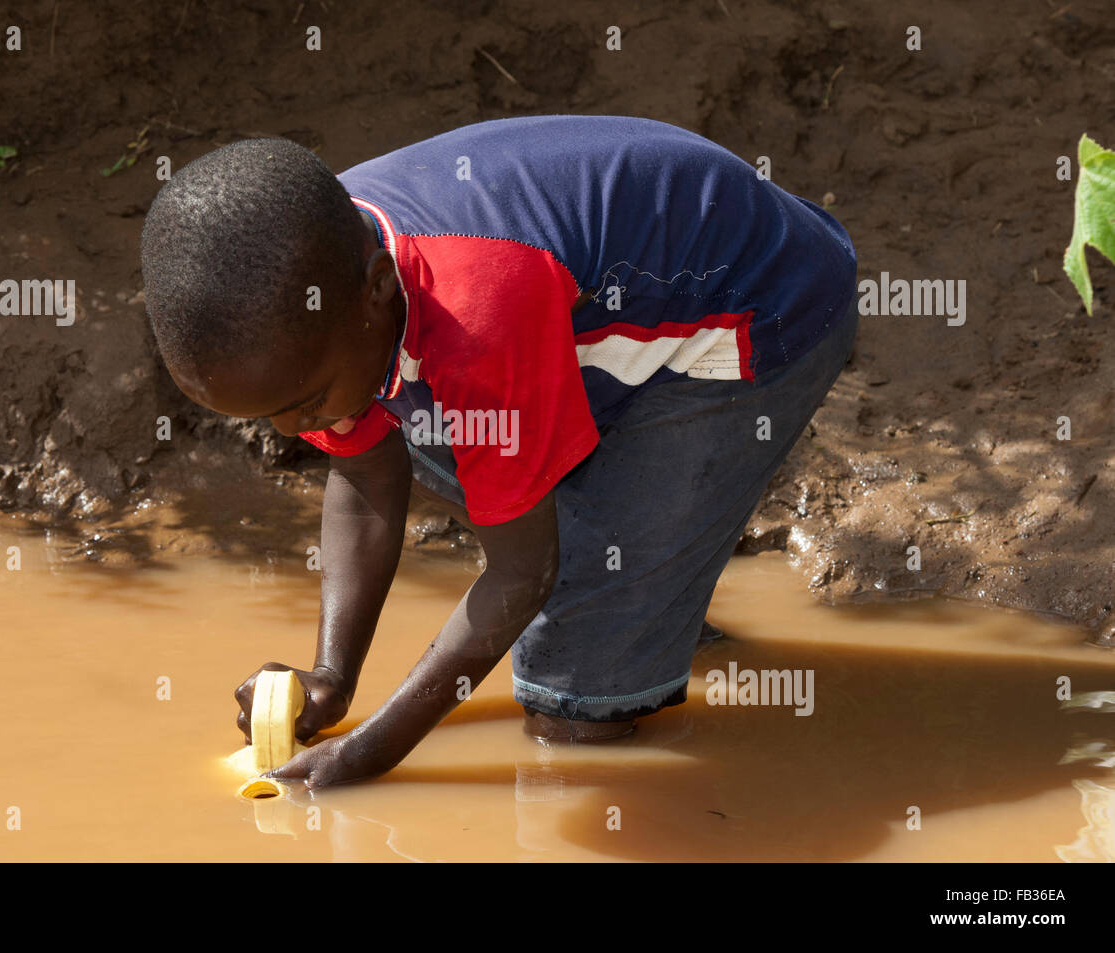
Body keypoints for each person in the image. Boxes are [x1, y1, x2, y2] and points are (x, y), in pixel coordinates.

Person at [139, 114, 858, 788]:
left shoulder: (473, 305)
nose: (297, 431)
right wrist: (333, 677)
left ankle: (634, 613)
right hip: (589, 329)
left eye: (302, 403)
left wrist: (375, 749)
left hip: (751, 317)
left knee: (571, 711)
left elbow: (523, 569)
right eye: (273, 416)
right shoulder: (314, 277)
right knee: (438, 441)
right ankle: (646, 596)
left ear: (378, 290)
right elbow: (364, 478)